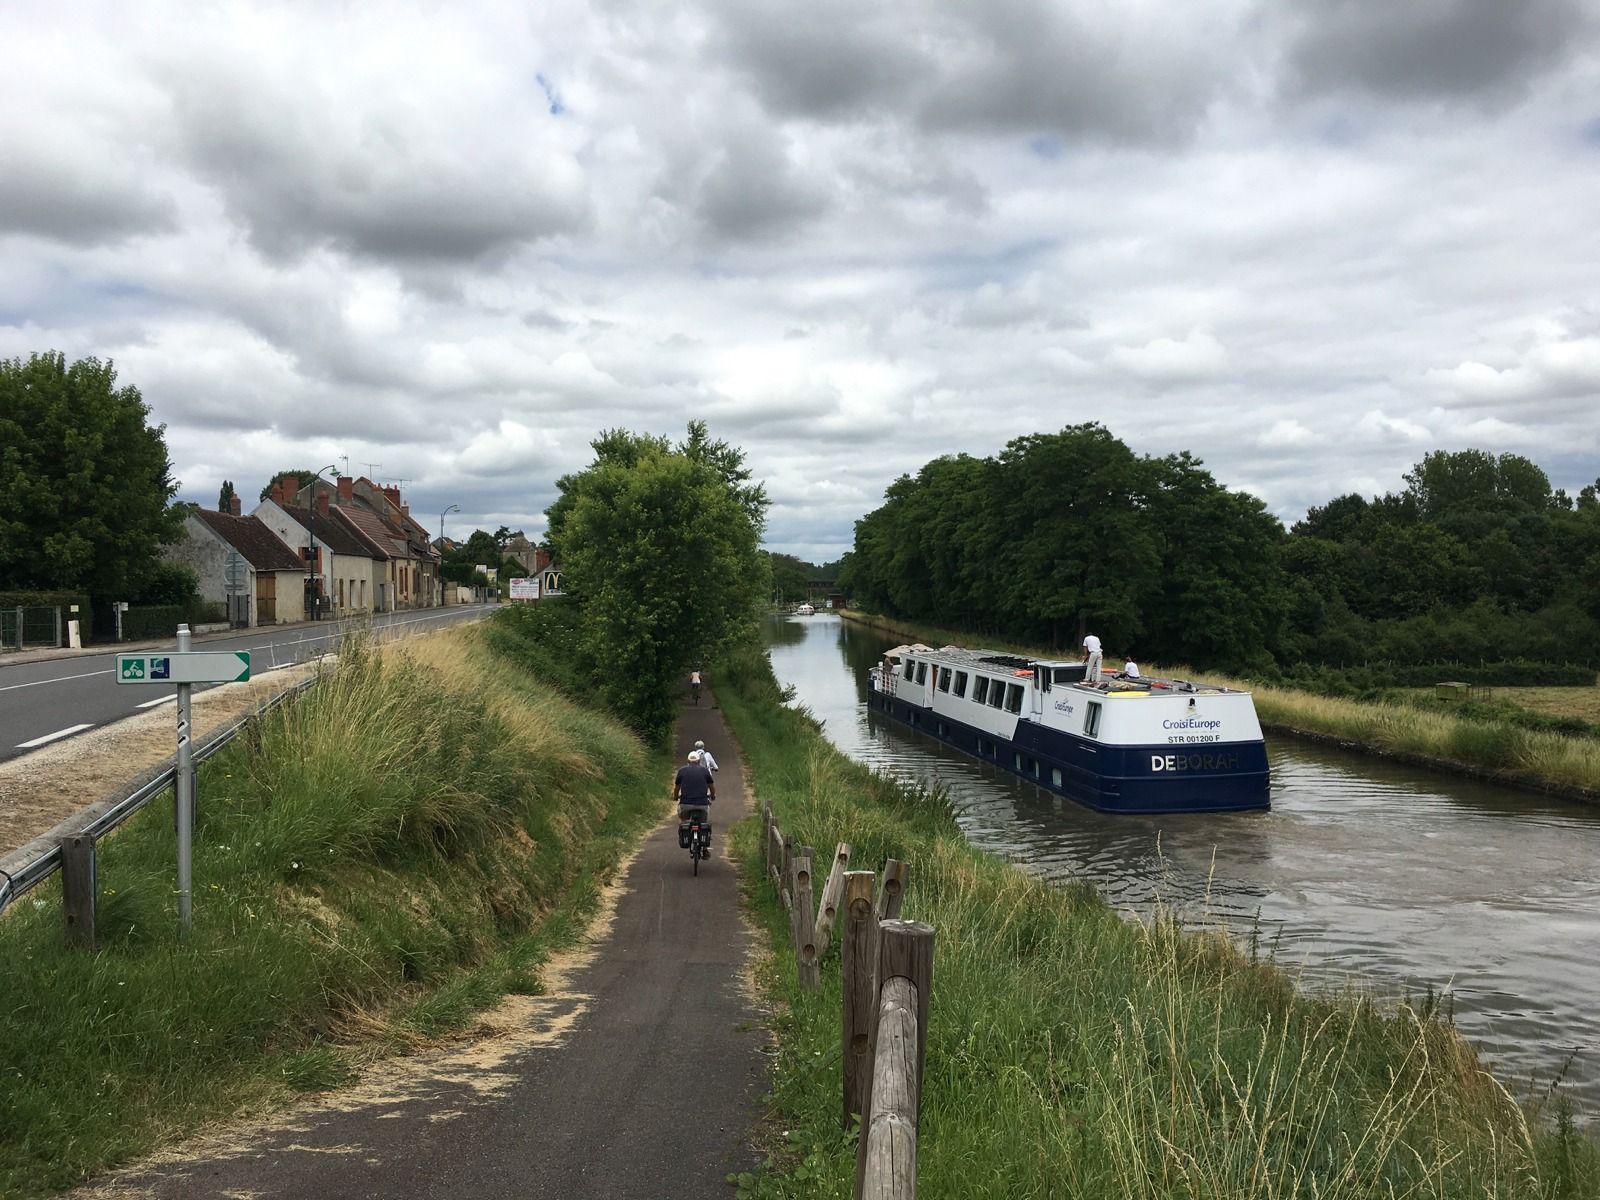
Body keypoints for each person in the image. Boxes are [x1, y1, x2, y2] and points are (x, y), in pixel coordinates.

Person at [674, 748, 716, 855]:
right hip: (702, 804)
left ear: (688, 761)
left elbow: (677, 788)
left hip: (685, 804)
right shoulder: (704, 771)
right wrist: (712, 796)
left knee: (681, 816)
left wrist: (675, 797)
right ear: (698, 761)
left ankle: (683, 832)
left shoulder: (682, 771)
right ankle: (705, 848)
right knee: (703, 822)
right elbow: (711, 787)